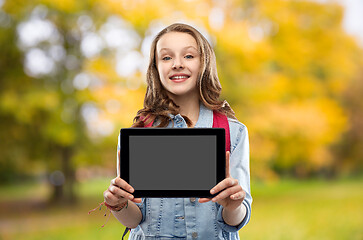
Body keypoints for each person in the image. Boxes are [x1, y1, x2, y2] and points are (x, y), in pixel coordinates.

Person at [103, 23, 252, 240]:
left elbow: (237, 219)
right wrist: (119, 205)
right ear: (156, 68)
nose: (177, 64)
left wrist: (232, 206)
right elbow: (135, 219)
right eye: (166, 58)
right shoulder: (138, 135)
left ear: (204, 63)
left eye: (189, 56)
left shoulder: (233, 132)